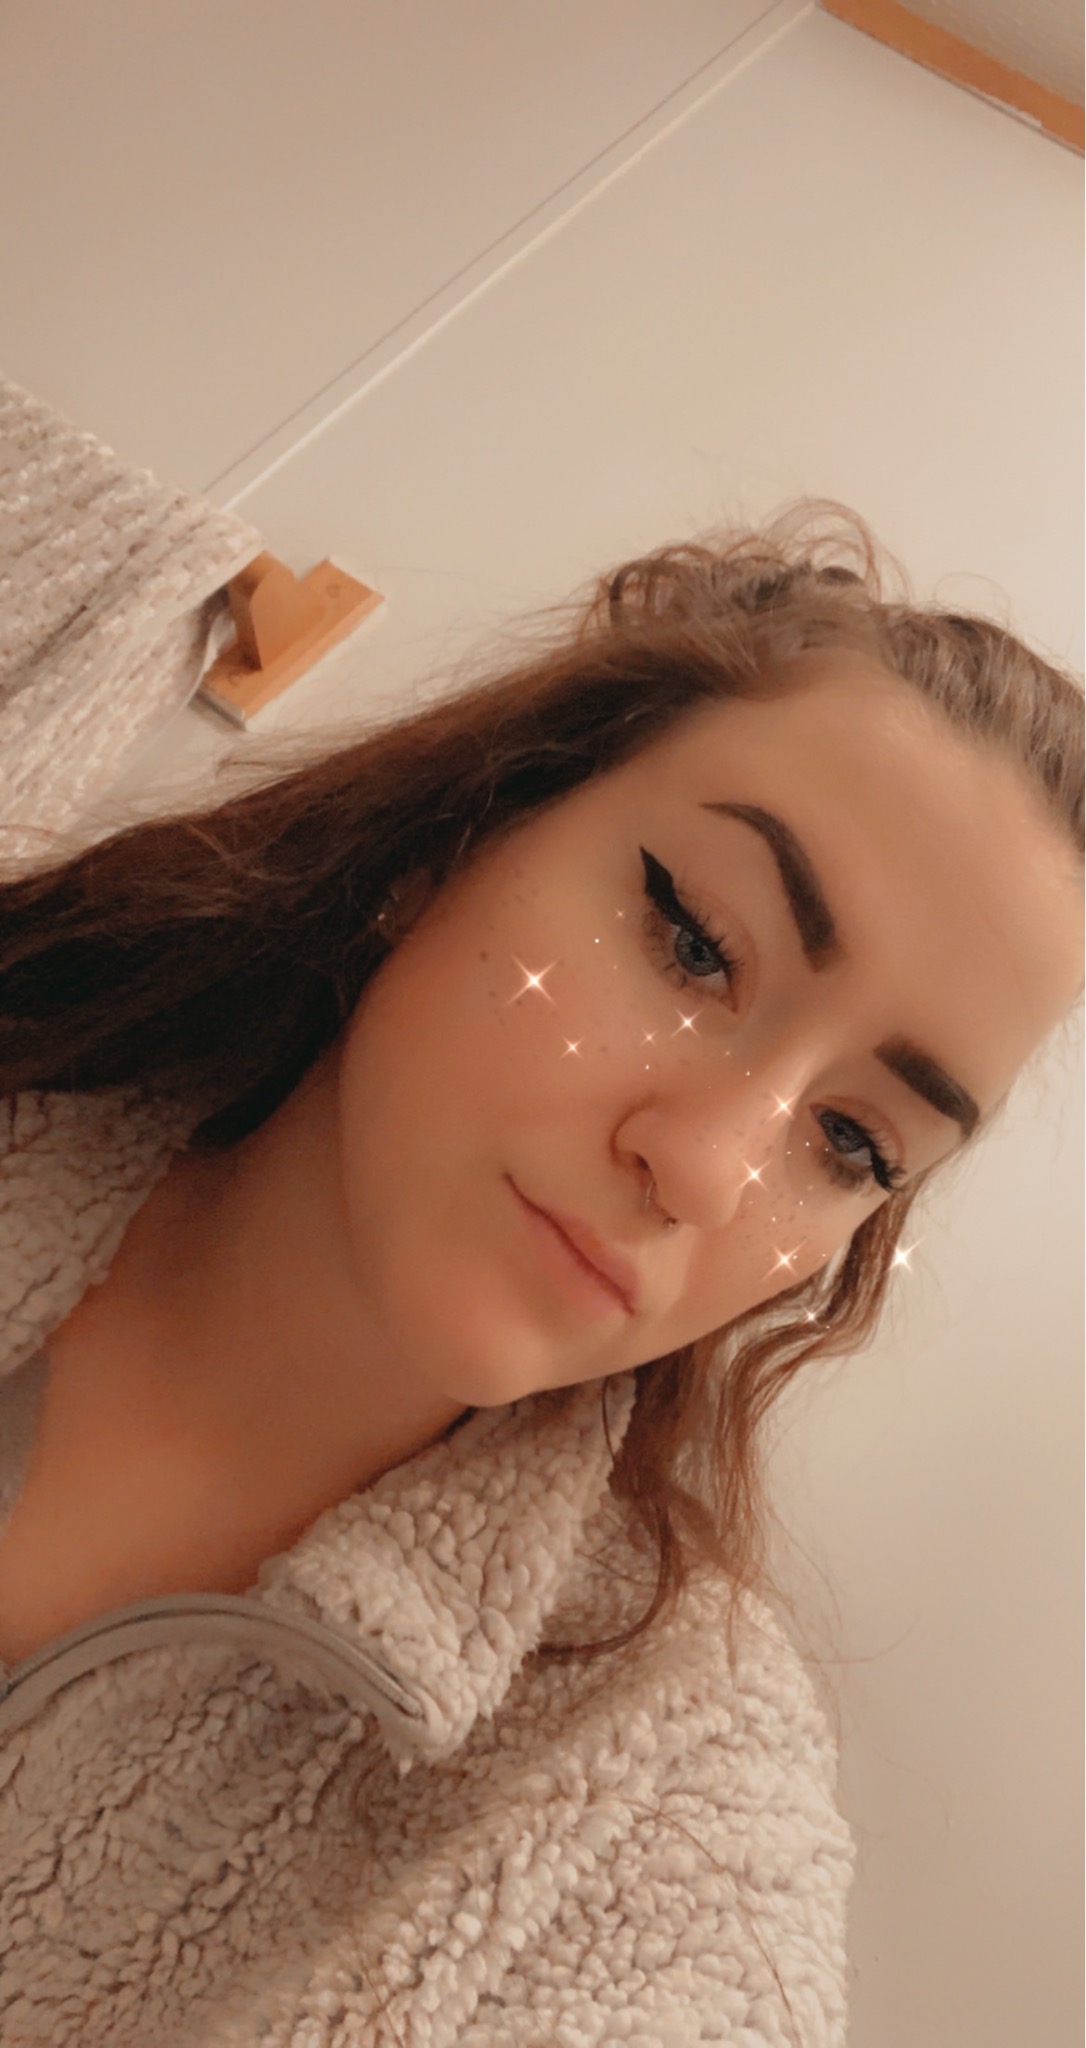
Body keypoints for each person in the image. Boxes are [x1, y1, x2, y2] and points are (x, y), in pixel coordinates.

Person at [0, 501, 1081, 2047]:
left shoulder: (662, 1819)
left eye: (850, 1142)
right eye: (695, 944)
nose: (705, 1169)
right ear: (461, 833)